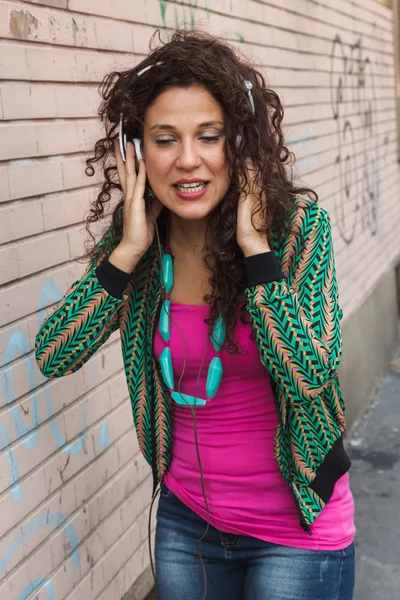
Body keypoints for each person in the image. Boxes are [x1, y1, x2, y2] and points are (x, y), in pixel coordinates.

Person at [35, 29, 355, 600]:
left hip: (297, 533)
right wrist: (126, 253)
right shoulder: (139, 245)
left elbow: (310, 375)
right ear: (133, 152)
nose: (188, 160)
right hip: (188, 527)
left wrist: (256, 251)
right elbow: (55, 354)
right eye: (164, 140)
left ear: (240, 144)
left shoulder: (298, 234)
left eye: (209, 136)